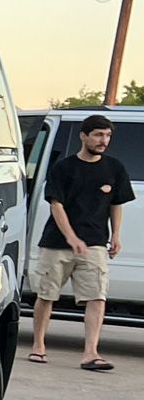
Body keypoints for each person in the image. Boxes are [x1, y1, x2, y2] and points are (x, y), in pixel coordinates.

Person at [29, 113, 132, 371]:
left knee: (97, 296)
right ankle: (38, 345)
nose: (103, 140)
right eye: (98, 134)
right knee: (46, 295)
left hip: (95, 244)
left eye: (107, 136)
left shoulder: (114, 168)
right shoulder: (63, 168)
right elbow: (56, 205)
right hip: (56, 243)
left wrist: (116, 235)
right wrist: (71, 237)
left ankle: (90, 353)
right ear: (83, 136)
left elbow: (116, 204)